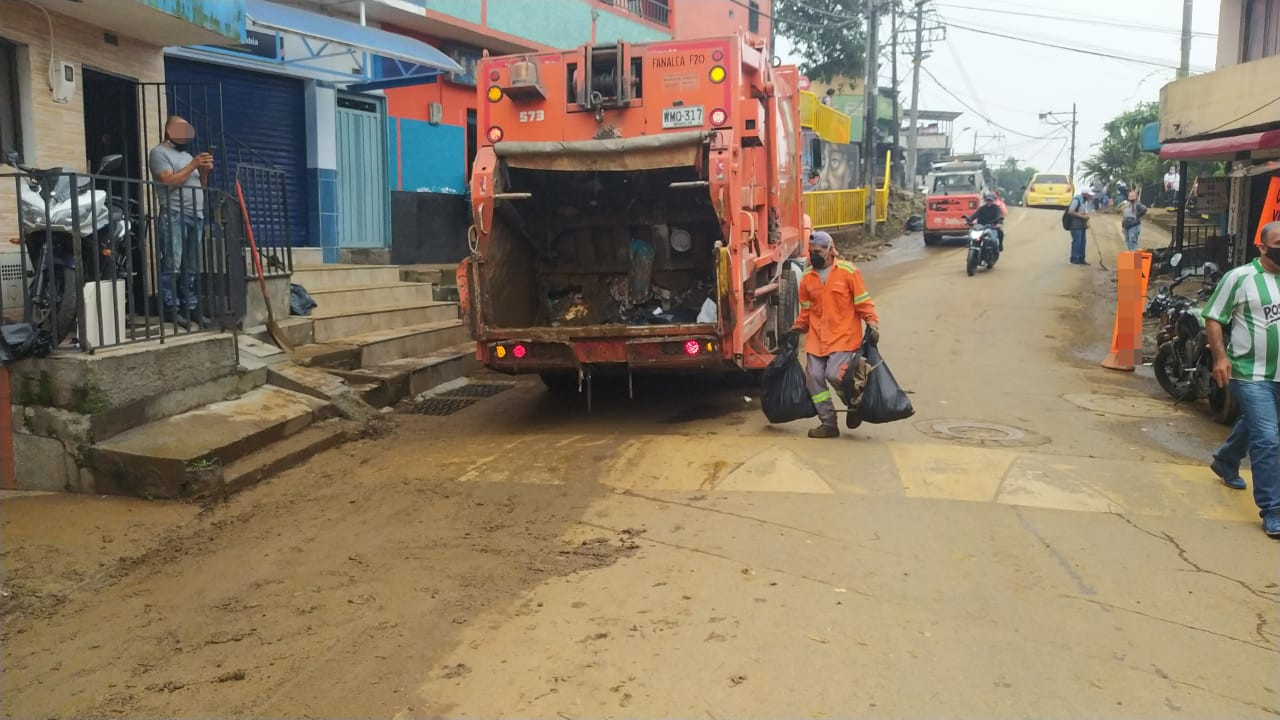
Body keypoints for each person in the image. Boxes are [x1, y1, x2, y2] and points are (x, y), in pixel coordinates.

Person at [1201, 220, 1280, 538]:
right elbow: (1214, 316)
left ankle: (1226, 459)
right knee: (1269, 439)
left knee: (1260, 426)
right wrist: (1221, 357)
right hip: (1251, 373)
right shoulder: (1241, 278)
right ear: (1262, 246)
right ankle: (1273, 509)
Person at [784, 231, 880, 439]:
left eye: (818, 251)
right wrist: (795, 329)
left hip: (843, 336)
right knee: (814, 379)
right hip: (817, 339)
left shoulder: (848, 272)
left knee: (835, 375)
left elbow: (863, 302)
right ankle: (828, 424)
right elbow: (807, 311)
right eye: (811, 252)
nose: (813, 255)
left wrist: (872, 323)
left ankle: (853, 403)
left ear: (830, 249)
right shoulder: (808, 278)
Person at [149, 116, 214, 329]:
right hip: (174, 214)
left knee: (192, 266)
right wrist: (194, 164)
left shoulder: (187, 155)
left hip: (196, 215)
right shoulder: (159, 152)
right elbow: (168, 182)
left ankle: (191, 306)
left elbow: (200, 186)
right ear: (169, 129)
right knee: (173, 264)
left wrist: (203, 172)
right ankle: (171, 308)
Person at [1067, 186, 1094, 265]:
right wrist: (1082, 216)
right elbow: (1071, 211)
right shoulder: (1077, 200)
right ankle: (1074, 259)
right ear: (1084, 194)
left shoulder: (1084, 202)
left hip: (1082, 225)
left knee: (1083, 242)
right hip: (1075, 225)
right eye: (1089, 195)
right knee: (1077, 242)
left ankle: (1081, 259)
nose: (1090, 196)